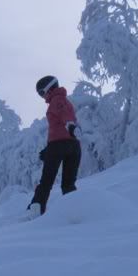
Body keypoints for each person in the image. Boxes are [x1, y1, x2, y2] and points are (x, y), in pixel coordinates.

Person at [27, 75, 82, 216]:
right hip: (73, 145)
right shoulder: (63, 100)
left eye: (41, 92)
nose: (42, 96)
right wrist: (48, 149)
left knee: (46, 181)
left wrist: (71, 126)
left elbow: (65, 115)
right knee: (68, 183)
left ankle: (35, 209)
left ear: (49, 88)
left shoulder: (57, 100)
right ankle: (73, 210)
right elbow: (62, 123)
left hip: (60, 145)